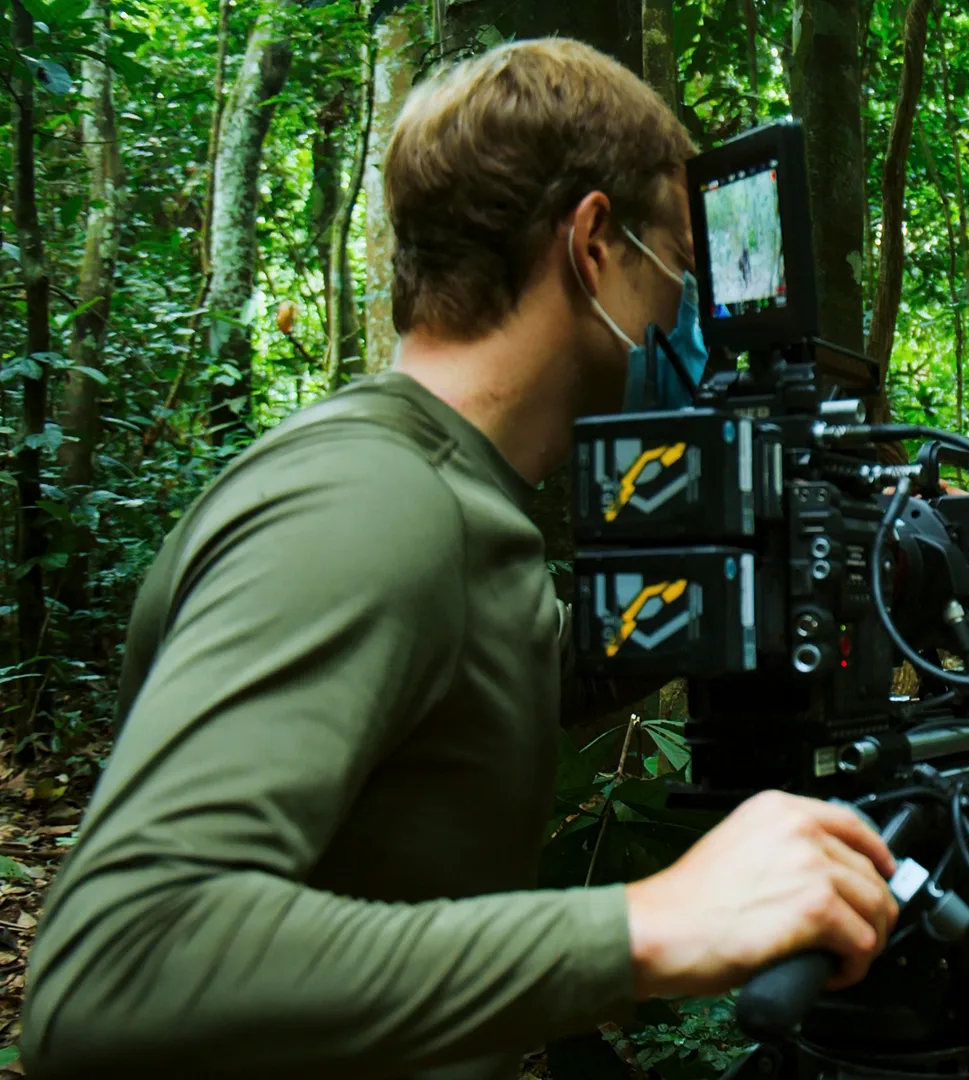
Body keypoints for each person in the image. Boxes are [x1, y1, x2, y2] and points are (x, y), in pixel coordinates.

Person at [18, 39, 898, 1080]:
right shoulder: (368, 508)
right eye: (679, 273)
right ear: (595, 244)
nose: (687, 322)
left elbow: (488, 672)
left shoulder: (444, 497)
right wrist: (647, 929)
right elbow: (115, 971)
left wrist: (759, 571)